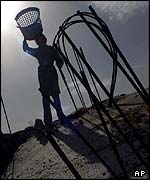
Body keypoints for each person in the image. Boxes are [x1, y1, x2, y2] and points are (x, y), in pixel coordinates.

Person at [23, 34, 67, 128]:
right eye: (38, 40)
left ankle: (61, 117)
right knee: (46, 98)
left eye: (41, 39)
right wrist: (24, 40)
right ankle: (48, 122)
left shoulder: (51, 49)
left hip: (51, 73)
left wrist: (59, 63)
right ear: (37, 42)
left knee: (55, 96)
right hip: (43, 74)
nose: (40, 41)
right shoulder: (37, 51)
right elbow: (26, 49)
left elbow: (59, 60)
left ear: (44, 40)